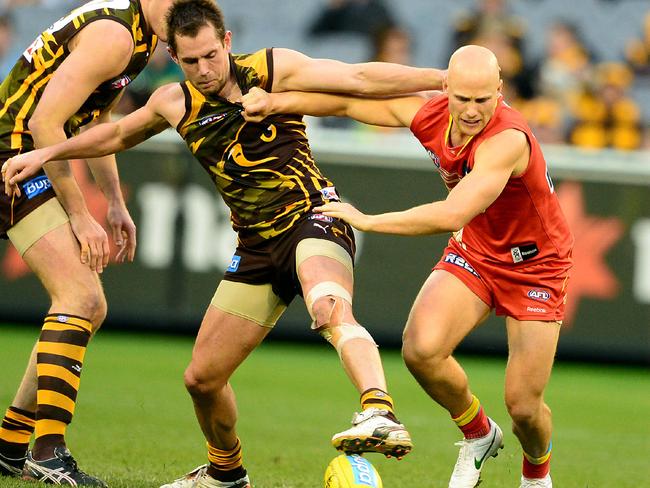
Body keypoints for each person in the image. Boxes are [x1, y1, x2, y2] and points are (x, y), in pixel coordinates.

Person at [1, 1, 447, 486]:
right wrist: (49, 153)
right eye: (190, 62)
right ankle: (226, 474)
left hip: (314, 218)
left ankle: (378, 409)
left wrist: (444, 80)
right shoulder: (172, 99)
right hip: (256, 246)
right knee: (202, 379)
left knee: (328, 304)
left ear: (228, 41)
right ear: (173, 54)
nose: (204, 70)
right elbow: (112, 133)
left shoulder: (270, 68)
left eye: (211, 56)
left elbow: (358, 79)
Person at [238, 45, 573, 488]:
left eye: (483, 100)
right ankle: (478, 434)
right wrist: (274, 102)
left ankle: (536, 475)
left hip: (536, 266)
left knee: (524, 407)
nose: (472, 112)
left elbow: (453, 214)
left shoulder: (507, 140)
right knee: (420, 351)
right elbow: (348, 102)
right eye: (462, 99)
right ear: (445, 88)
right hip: (477, 251)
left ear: (500, 91)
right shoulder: (433, 113)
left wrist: (368, 220)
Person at [0, 0, 178, 485]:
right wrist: (81, 215)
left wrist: (114, 202)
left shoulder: (137, 35)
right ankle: (47, 449)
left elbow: (94, 123)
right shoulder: (115, 36)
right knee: (80, 297)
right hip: (14, 157)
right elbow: (44, 124)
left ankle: (14, 444)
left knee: (85, 304)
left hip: (23, 156)